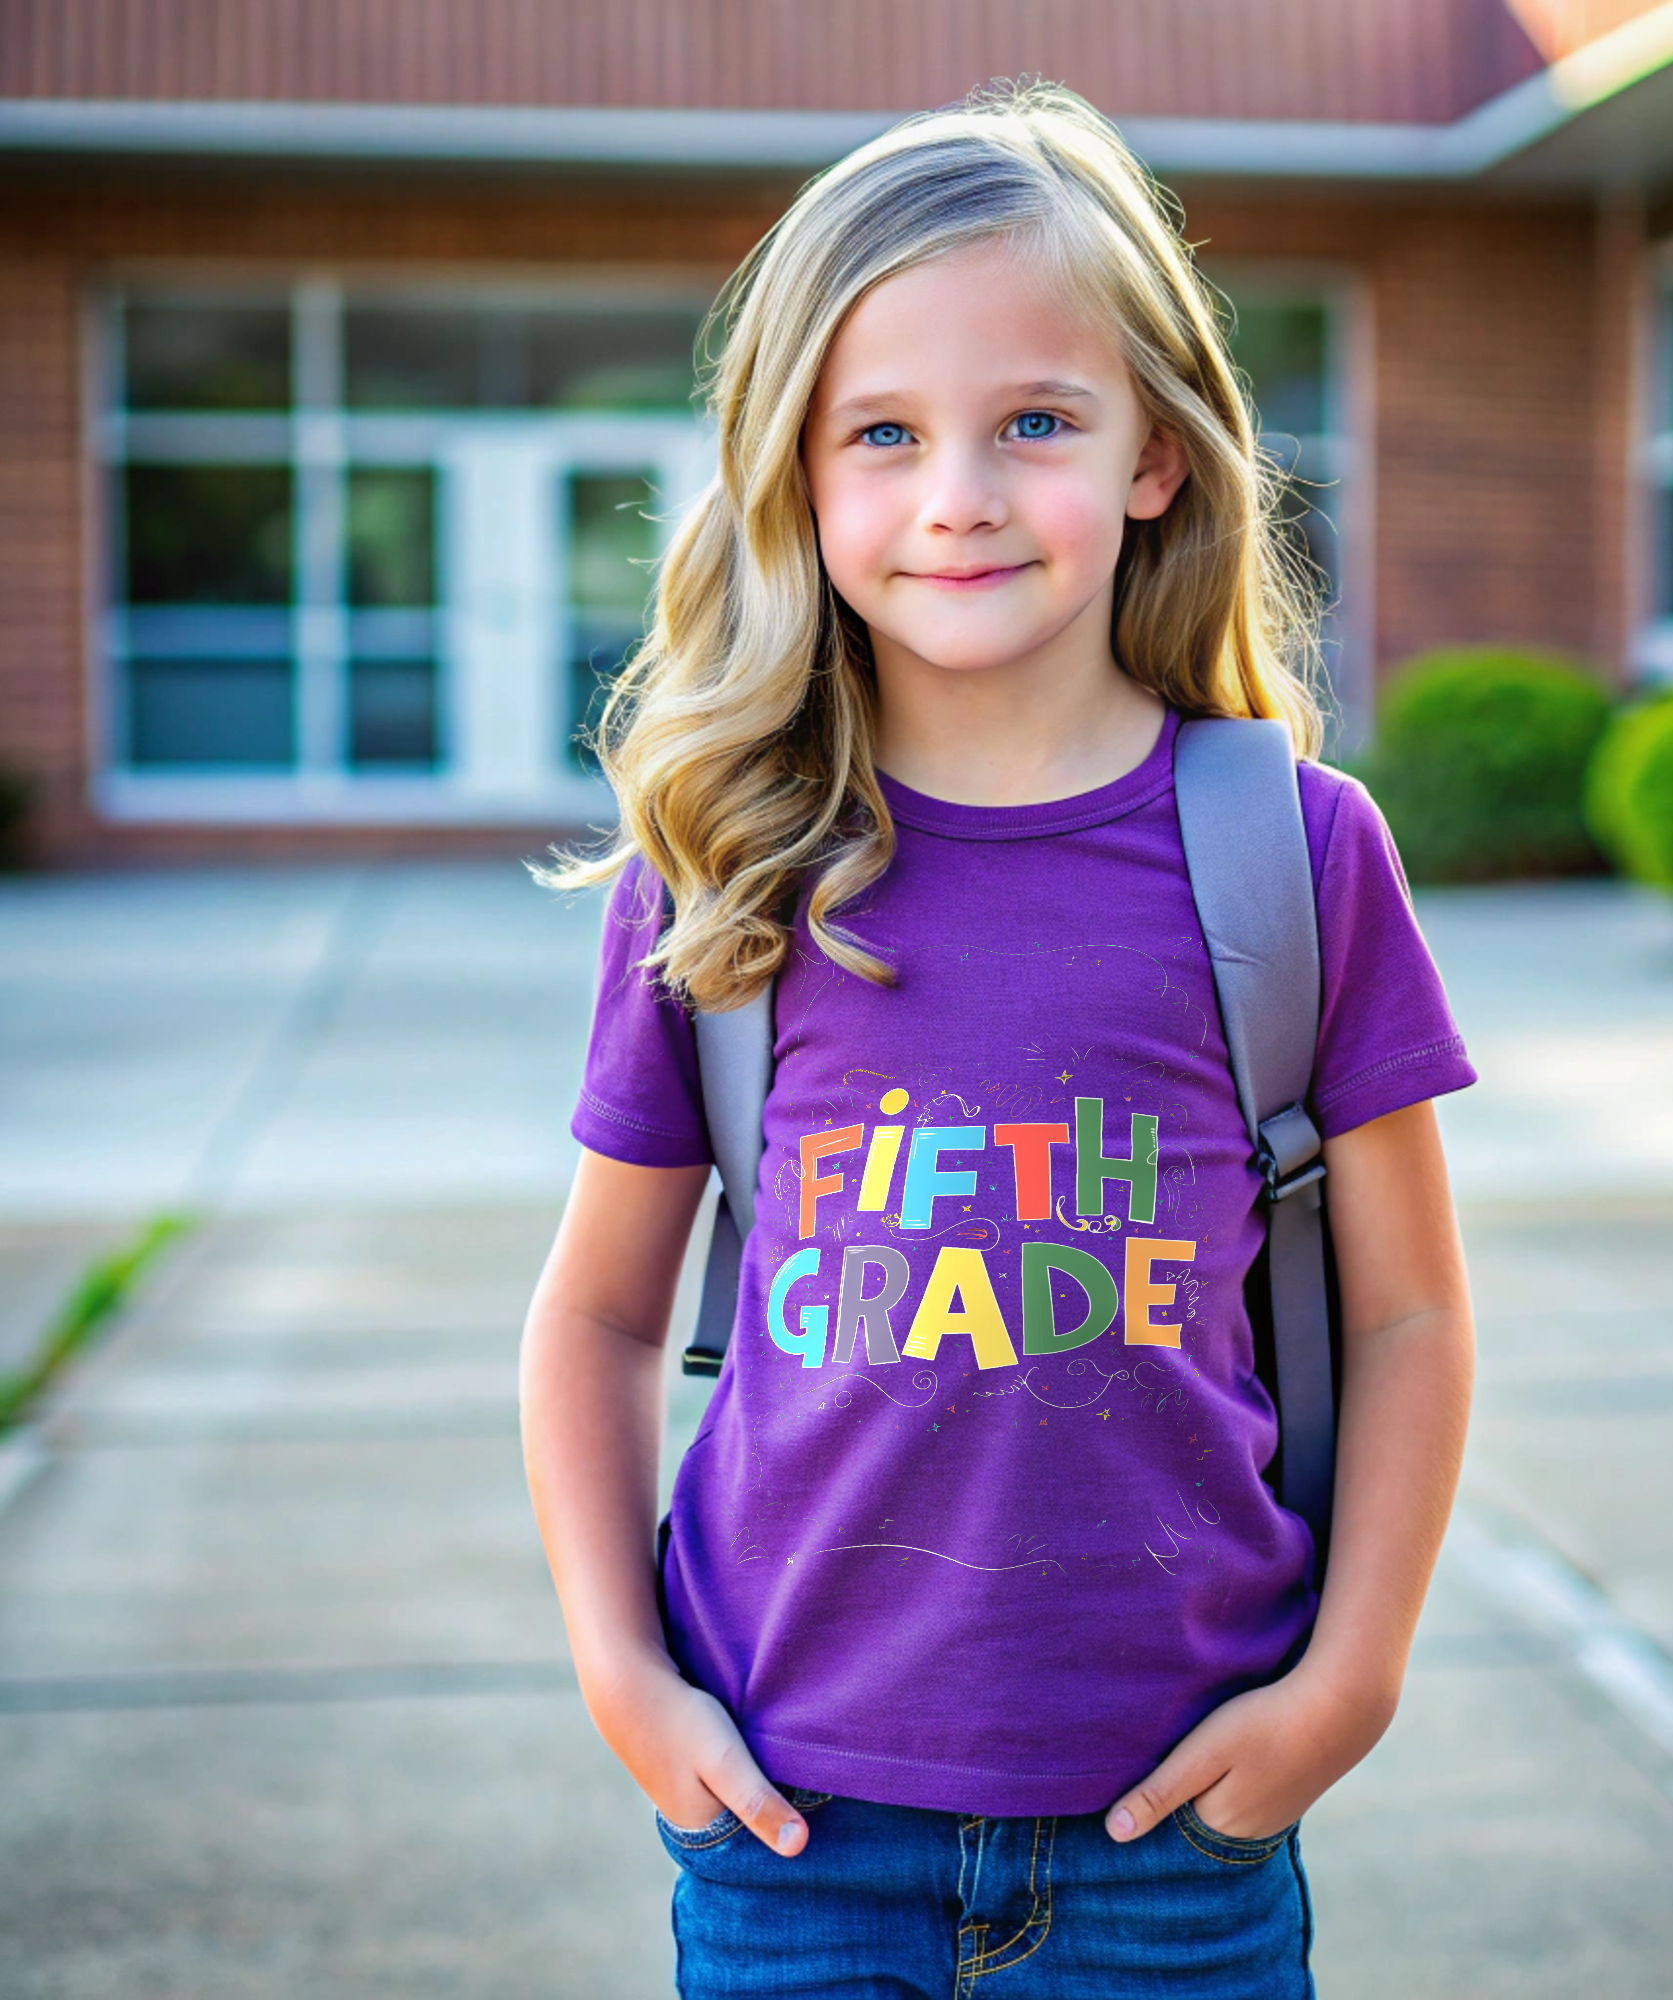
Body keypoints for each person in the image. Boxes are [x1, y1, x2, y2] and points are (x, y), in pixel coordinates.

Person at [519, 79, 1478, 2000]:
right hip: (793, 1835)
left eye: (1035, 420)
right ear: (794, 477)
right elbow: (602, 1316)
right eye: (881, 432)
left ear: (1155, 455)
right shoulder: (726, 868)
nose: (957, 491)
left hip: (1174, 1843)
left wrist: (1349, 1685)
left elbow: (1406, 1317)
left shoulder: (1293, 853)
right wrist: (625, 1681)